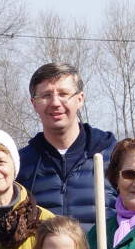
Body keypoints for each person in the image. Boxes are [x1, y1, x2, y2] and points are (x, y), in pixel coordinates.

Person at [15, 62, 118, 226]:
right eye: (46, 95)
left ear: (80, 99)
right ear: (34, 103)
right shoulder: (20, 165)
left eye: (63, 94)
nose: (55, 103)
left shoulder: (114, 157)